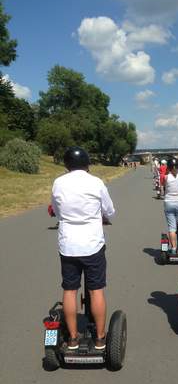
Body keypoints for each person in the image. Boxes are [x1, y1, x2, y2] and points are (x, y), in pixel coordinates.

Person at [51, 147, 115, 350]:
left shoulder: (58, 183)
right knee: (96, 290)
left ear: (66, 164)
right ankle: (100, 338)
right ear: (87, 163)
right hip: (92, 244)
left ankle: (72, 338)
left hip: (68, 244)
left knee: (69, 290)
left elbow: (57, 211)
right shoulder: (95, 182)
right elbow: (110, 210)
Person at [163, 158, 178, 254]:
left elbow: (164, 186)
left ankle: (173, 248)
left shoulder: (165, 177)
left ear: (168, 167)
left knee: (172, 227)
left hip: (169, 202)